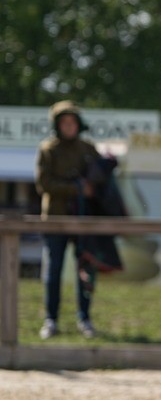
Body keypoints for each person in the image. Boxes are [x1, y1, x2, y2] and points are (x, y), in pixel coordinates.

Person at [34, 101, 101, 340]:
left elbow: (99, 179)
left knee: (86, 268)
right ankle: (51, 319)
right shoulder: (48, 149)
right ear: (57, 125)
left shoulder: (88, 149)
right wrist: (76, 189)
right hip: (56, 218)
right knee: (54, 270)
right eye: (64, 122)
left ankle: (85, 318)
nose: (68, 126)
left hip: (83, 220)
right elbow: (44, 185)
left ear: (78, 124)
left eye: (72, 122)